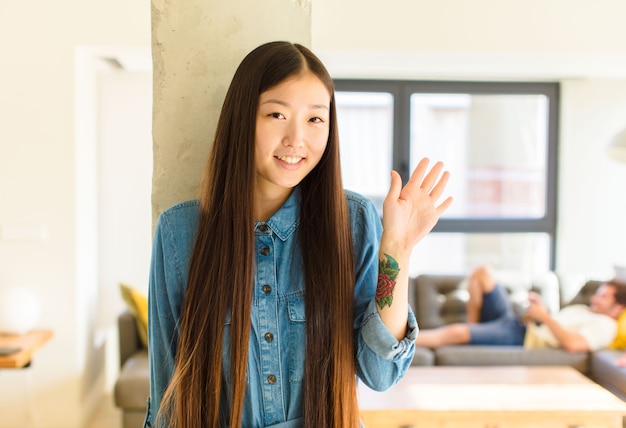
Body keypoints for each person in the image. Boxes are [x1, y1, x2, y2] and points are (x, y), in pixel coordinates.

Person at [144, 41, 453, 428]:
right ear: (243, 118)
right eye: (277, 114)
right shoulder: (180, 232)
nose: (296, 139)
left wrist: (399, 247)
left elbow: (380, 373)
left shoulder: (353, 220)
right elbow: (167, 391)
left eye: (315, 119)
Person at [414, 265, 626, 352]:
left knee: (455, 332)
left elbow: (574, 344)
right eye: (598, 294)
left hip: (522, 336)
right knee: (483, 272)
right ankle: (475, 330)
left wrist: (545, 318)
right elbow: (554, 324)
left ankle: (397, 340)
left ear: (618, 308)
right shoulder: (584, 310)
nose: (596, 299)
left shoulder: (606, 325)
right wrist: (541, 311)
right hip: (518, 322)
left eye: (604, 297)